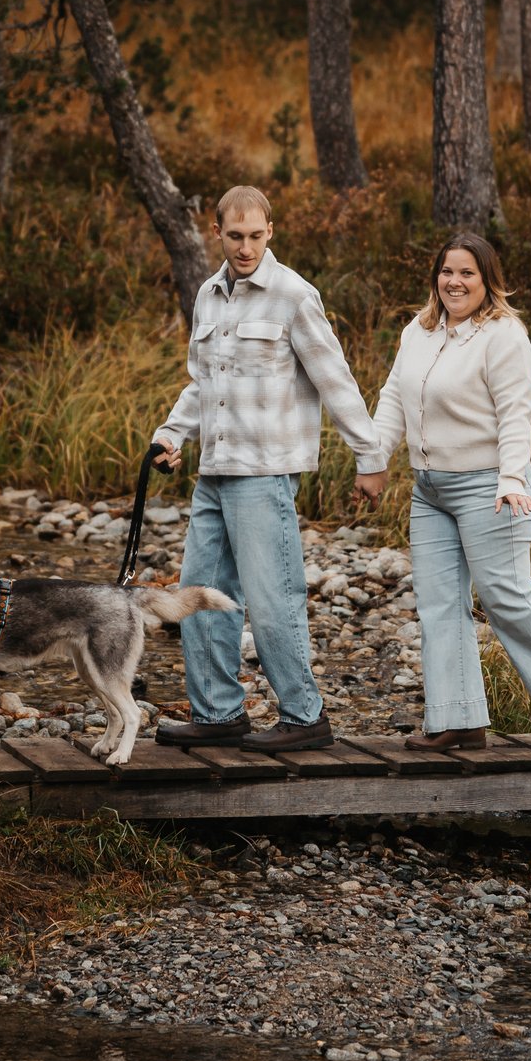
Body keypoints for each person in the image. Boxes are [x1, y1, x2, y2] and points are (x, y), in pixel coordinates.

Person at [356, 231, 531, 750]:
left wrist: (512, 478)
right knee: (439, 605)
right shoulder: (417, 332)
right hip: (430, 491)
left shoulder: (503, 335)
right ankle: (459, 720)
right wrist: (373, 461)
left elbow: (516, 414)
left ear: (488, 281)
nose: (454, 281)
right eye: (447, 271)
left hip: (489, 486)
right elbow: (394, 398)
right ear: (435, 277)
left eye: (467, 272)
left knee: (506, 595)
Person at [148, 185, 390, 752]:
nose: (246, 247)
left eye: (256, 236)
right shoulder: (209, 295)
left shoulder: (293, 295)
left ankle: (304, 716)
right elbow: (202, 383)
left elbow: (336, 379)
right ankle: (217, 714)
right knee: (198, 595)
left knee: (273, 596)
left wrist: (370, 457)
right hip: (215, 472)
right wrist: (169, 433)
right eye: (235, 236)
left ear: (271, 232)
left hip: (265, 474)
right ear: (218, 234)